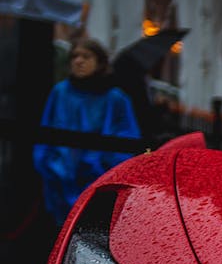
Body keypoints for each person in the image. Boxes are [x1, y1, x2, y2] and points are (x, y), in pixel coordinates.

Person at [32, 38, 141, 227]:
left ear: (99, 62)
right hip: (60, 182)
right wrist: (48, 166)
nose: (78, 61)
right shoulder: (60, 93)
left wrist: (106, 169)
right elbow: (45, 134)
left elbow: (126, 141)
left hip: (98, 184)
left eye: (86, 56)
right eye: (74, 56)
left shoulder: (115, 99)